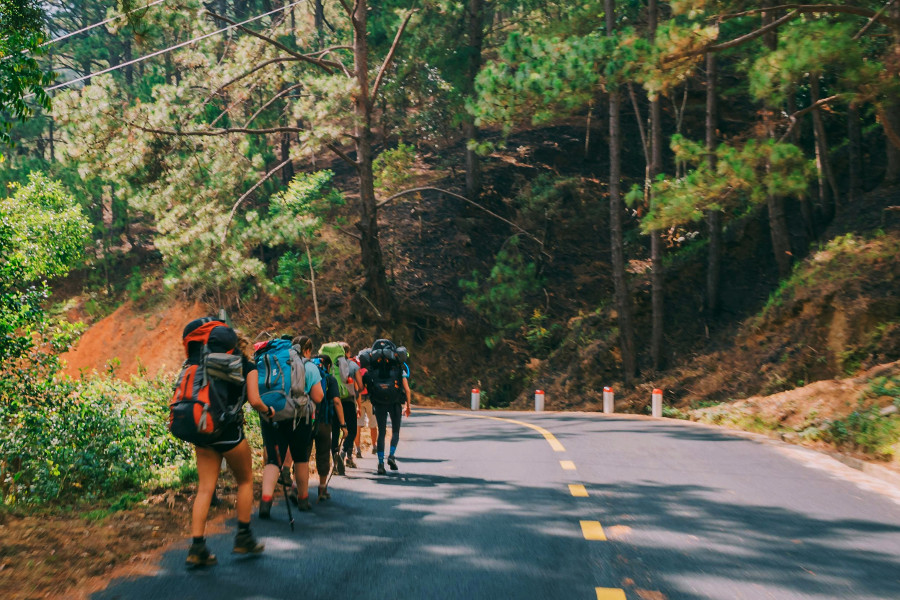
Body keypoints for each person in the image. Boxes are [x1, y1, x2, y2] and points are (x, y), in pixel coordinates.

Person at [182, 318, 273, 567]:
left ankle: (197, 547)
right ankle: (243, 537)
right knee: (245, 480)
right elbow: (255, 400)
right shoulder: (247, 365)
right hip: (229, 432)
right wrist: (270, 411)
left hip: (204, 429)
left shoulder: (201, 362)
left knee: (205, 488)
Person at [258, 335, 323, 516]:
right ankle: (303, 499)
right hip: (299, 417)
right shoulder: (307, 365)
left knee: (273, 461)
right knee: (301, 459)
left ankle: (265, 502)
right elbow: (318, 396)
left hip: (271, 414)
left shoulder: (268, 362)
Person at [363, 341, 412, 475]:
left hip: (379, 402)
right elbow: (407, 390)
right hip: (395, 402)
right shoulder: (399, 368)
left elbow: (367, 385)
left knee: (382, 432)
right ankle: (391, 455)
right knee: (395, 431)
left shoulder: (373, 367)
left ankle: (380, 463)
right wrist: (408, 406)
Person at [311, 354, 346, 500]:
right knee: (323, 454)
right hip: (324, 422)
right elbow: (337, 402)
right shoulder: (330, 379)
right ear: (329, 366)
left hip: (308, 422)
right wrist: (343, 425)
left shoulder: (308, 375)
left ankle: (297, 489)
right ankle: (322, 488)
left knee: (303, 455)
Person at [339, 341, 363, 468]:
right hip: (348, 401)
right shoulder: (353, 365)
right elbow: (360, 386)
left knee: (335, 432)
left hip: (333, 402)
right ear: (348, 353)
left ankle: (335, 459)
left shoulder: (332, 364)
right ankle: (344, 453)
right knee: (352, 430)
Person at [356, 357, 377, 457]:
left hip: (358, 400)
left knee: (358, 425)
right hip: (369, 400)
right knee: (373, 423)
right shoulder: (368, 372)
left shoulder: (356, 372)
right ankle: (374, 446)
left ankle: (357, 449)